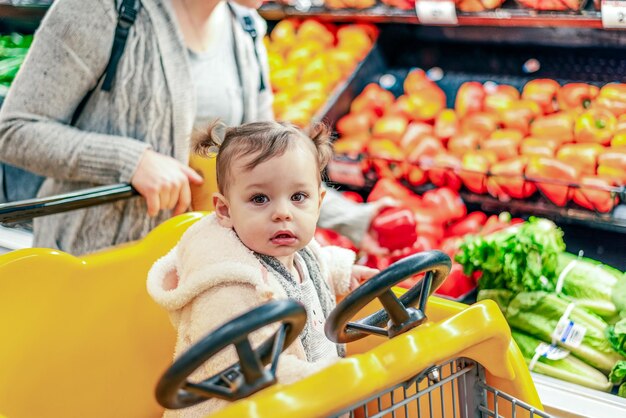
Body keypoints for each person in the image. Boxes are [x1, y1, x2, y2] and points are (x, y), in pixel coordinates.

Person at [0, 0, 391, 256]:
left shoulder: (247, 29)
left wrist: (354, 219)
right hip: (101, 267)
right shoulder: (105, 11)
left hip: (203, 275)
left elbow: (269, 166)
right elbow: (14, 130)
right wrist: (132, 161)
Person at [147, 120, 378, 417]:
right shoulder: (226, 286)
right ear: (225, 210)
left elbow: (310, 267)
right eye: (259, 199)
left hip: (314, 402)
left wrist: (341, 273)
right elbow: (248, 368)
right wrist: (337, 378)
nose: (283, 213)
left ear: (318, 203)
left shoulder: (291, 248)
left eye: (298, 197)